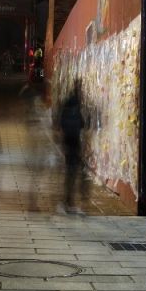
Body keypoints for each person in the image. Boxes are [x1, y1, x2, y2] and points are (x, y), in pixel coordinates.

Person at [59, 81, 88, 214]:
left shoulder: (69, 103)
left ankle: (69, 200)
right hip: (73, 142)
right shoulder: (75, 105)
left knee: (71, 172)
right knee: (73, 172)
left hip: (68, 141)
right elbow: (80, 123)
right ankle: (70, 200)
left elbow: (62, 122)